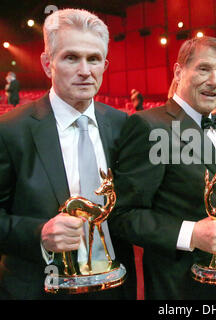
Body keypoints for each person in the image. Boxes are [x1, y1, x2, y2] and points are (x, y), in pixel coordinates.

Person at [0, 8, 136, 300]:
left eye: (94, 59)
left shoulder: (123, 125)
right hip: (39, 288)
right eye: (71, 57)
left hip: (115, 288)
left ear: (105, 64)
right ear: (47, 64)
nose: (85, 70)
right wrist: (39, 234)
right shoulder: (9, 130)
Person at [110, 36, 216, 300]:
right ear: (179, 71)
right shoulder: (149, 126)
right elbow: (122, 215)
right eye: (204, 68)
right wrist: (191, 233)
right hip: (182, 287)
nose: (214, 81)